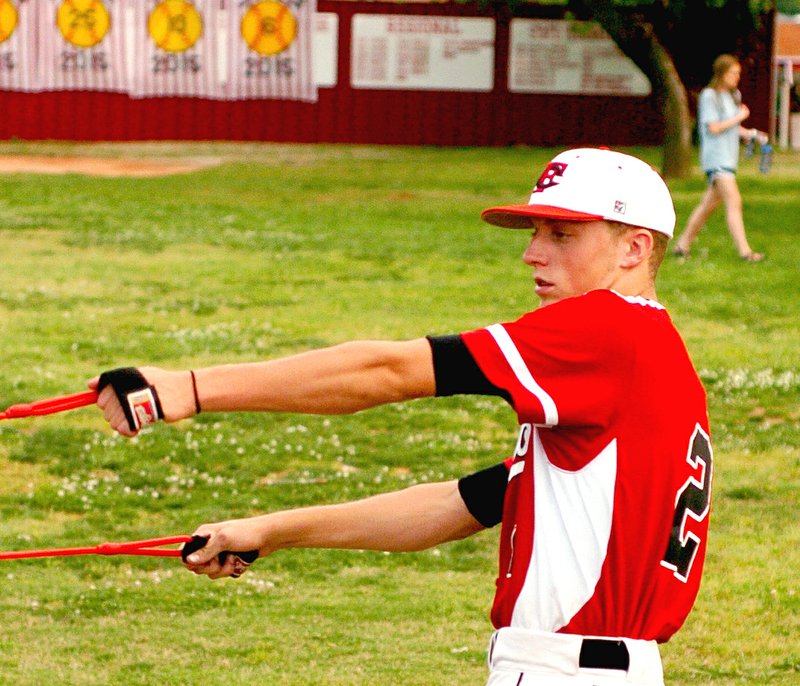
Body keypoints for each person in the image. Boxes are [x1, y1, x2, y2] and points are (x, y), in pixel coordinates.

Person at [93, 148, 713, 686]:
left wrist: (186, 389)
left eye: (562, 234)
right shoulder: (656, 358)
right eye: (534, 231)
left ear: (635, 247)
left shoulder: (606, 330)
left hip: (564, 667)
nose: (531, 253)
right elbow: (458, 505)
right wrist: (269, 529)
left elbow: (385, 373)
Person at [673, 54, 766, 262]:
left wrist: (752, 134)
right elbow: (714, 127)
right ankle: (745, 252)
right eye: (733, 73)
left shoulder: (733, 96)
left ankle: (682, 245)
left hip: (728, 158)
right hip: (716, 159)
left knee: (708, 206)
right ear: (722, 73)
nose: (737, 77)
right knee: (734, 201)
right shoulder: (709, 96)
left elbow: (732, 127)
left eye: (738, 73)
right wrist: (739, 117)